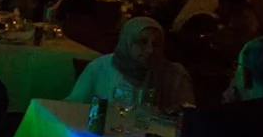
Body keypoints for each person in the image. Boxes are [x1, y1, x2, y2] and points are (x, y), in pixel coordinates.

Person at [66, 16, 195, 112]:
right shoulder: (100, 67)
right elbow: (73, 106)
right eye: (142, 42)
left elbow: (188, 116)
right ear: (126, 42)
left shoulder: (173, 75)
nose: (150, 50)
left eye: (156, 44)